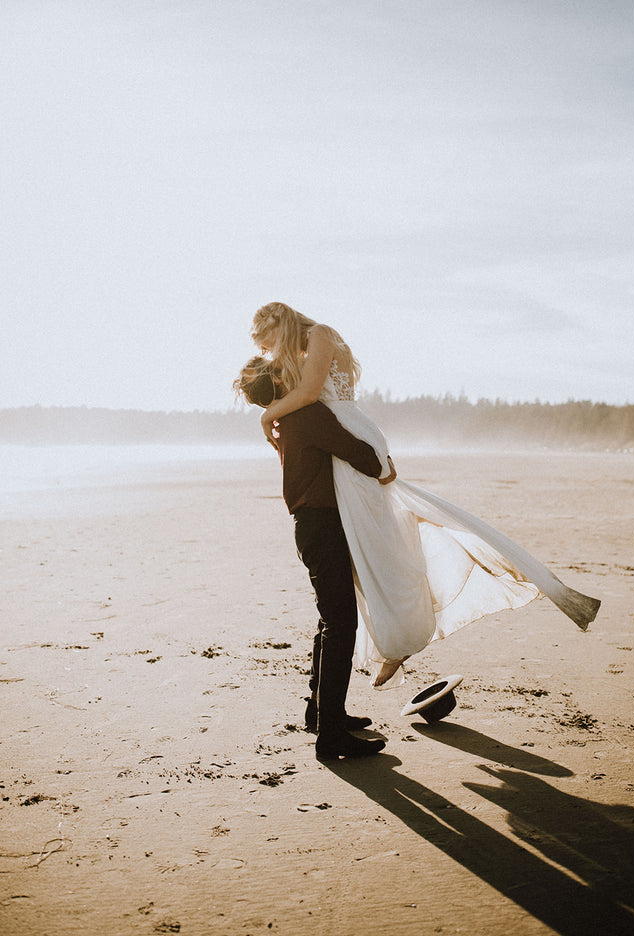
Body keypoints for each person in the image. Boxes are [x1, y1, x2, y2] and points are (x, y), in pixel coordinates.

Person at [249, 302, 602, 688]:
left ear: (281, 327)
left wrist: (268, 416)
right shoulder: (306, 352)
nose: (272, 354)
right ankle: (393, 640)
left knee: (376, 546)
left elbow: (312, 392)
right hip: (342, 441)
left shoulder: (319, 335)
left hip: (348, 437)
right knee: (370, 546)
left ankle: (398, 639)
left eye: (270, 344)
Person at [234, 356, 390, 760]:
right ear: (281, 380)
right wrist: (382, 466)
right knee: (341, 623)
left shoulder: (288, 420)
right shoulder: (305, 414)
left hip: (310, 526)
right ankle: (332, 732)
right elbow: (356, 452)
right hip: (323, 525)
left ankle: (319, 712)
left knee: (329, 619)